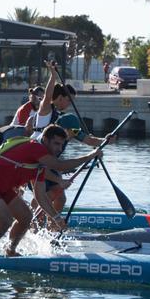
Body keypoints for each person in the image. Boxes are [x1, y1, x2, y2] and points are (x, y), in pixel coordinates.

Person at [0, 125, 102, 259]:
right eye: (56, 143)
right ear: (45, 139)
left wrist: (56, 218)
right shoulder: (35, 147)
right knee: (5, 221)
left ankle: (10, 250)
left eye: (62, 145)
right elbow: (59, 165)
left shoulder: (40, 166)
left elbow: (40, 195)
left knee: (26, 217)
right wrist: (90, 156)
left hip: (4, 188)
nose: (59, 149)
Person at [27, 61, 116, 217]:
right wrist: (53, 75)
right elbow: (48, 96)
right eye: (69, 100)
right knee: (44, 196)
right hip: (36, 160)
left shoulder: (68, 121)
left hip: (53, 163)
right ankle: (31, 224)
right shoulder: (45, 112)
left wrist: (105, 140)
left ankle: (52, 232)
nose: (70, 104)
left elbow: (87, 139)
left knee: (60, 198)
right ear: (60, 98)